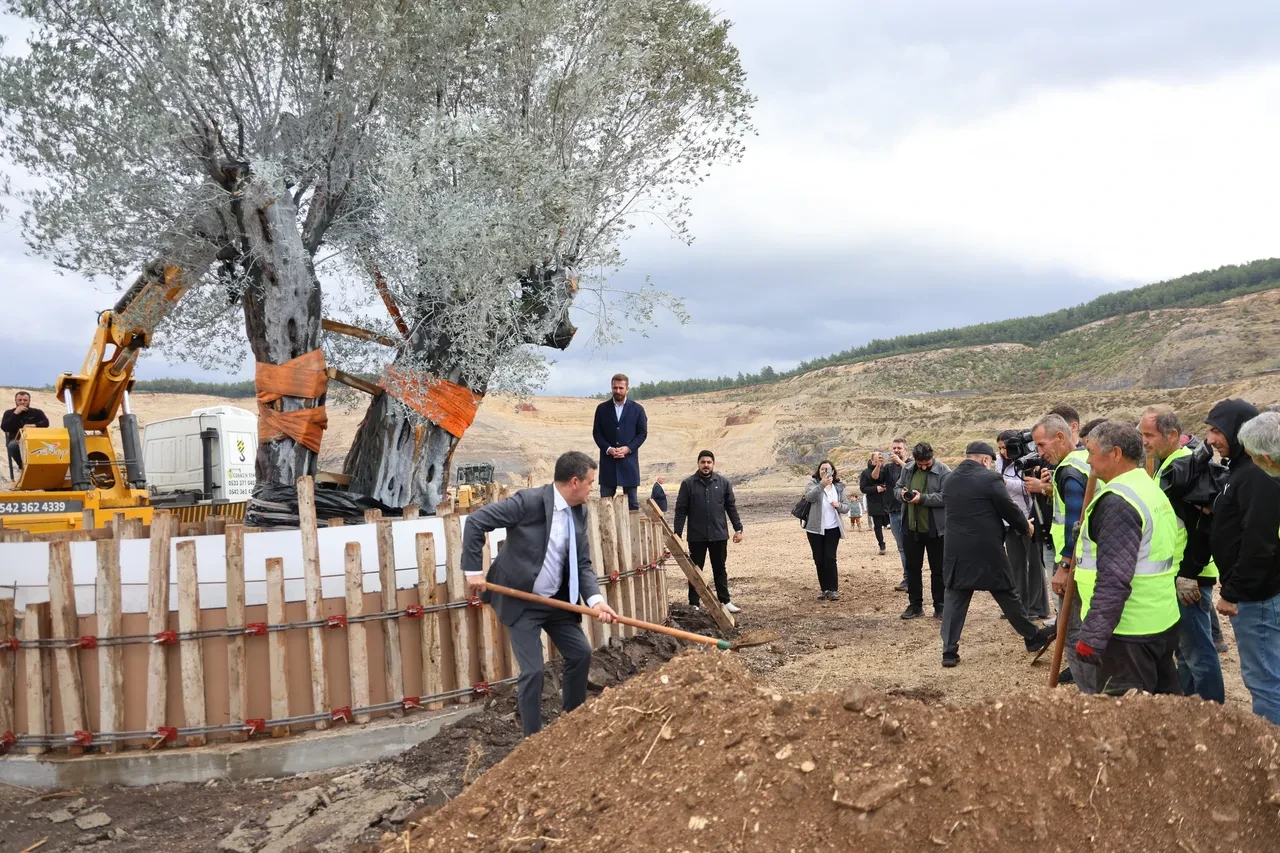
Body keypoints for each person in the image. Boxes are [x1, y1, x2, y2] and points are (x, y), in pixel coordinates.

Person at [462, 451, 619, 737]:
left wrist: (596, 601)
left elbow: (582, 563)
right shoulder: (528, 502)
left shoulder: (579, 512)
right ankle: (532, 741)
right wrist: (473, 570)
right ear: (575, 482)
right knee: (533, 671)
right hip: (522, 601)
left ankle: (571, 722)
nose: (592, 488)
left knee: (580, 653)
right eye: (590, 482)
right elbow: (476, 522)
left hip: (557, 601)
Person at [1073, 421, 1182, 696]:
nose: (1088, 460)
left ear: (1115, 453)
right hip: (1160, 618)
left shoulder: (1118, 501)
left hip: (1127, 631)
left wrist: (1093, 635)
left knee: (1125, 713)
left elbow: (1114, 578)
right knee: (1163, 705)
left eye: (1092, 452)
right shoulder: (1147, 488)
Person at [939, 442, 1056, 667]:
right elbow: (1008, 508)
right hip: (987, 548)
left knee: (955, 596)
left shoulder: (949, 479)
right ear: (985, 460)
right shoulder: (990, 478)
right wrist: (1026, 526)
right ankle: (1032, 637)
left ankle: (949, 652)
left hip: (956, 548)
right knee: (1006, 592)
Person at [1138, 405, 1224, 703]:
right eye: (1142, 435)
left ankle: (1212, 712)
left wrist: (1188, 573)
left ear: (1172, 434)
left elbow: (1202, 527)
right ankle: (1189, 707)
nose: (1144, 442)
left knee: (1197, 651)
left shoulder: (1185, 468)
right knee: (1186, 653)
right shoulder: (1171, 464)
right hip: (1177, 573)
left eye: (1150, 435)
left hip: (1188, 576)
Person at [1208, 403, 1280, 725]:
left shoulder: (1257, 474)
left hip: (1258, 596)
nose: (1211, 439)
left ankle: (1270, 746)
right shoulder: (1246, 470)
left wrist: (1233, 592)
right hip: (1260, 591)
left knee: (1264, 680)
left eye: (1217, 430)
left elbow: (1259, 542)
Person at [1031, 412, 1096, 692]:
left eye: (1041, 445)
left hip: (1077, 563)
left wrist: (1065, 566)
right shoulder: (1085, 460)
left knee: (1072, 630)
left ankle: (1090, 693)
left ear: (1060, 437)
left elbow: (1074, 523)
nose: (1039, 453)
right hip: (1091, 560)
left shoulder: (1069, 470)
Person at [674, 450, 744, 613]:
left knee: (720, 569)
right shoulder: (688, 484)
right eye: (703, 462)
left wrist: (738, 528)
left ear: (713, 464)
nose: (706, 465)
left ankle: (725, 601)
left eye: (709, 462)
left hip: (719, 535)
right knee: (695, 571)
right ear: (698, 463)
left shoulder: (723, 483)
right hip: (696, 536)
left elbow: (731, 507)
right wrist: (677, 534)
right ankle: (694, 603)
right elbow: (681, 510)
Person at [997, 431, 1049, 620]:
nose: (1004, 452)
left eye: (1006, 447)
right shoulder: (1001, 463)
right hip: (1010, 521)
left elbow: (1028, 488)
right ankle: (1019, 606)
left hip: (1029, 518)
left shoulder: (1028, 461)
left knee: (1034, 565)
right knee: (1016, 565)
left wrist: (1003, 482)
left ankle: (1037, 607)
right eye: (1000, 448)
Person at [895, 442, 950, 619]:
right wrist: (901, 494)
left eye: (927, 463)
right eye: (920, 464)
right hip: (911, 528)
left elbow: (946, 497)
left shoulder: (944, 471)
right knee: (912, 568)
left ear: (932, 457)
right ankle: (915, 606)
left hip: (936, 530)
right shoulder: (907, 469)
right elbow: (897, 488)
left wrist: (922, 499)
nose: (924, 467)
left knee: (938, 570)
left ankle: (940, 606)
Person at [592, 373, 647, 510]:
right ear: (611, 387)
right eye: (615, 387)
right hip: (608, 463)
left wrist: (628, 448)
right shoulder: (602, 409)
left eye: (621, 388)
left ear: (627, 388)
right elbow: (597, 433)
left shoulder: (637, 409)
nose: (618, 391)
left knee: (632, 505)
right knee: (605, 505)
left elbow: (642, 433)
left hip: (629, 463)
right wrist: (608, 449)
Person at [802, 460, 851, 601]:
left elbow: (846, 506)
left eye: (828, 469)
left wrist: (838, 505)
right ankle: (824, 589)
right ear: (818, 471)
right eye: (822, 469)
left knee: (830, 558)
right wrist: (822, 484)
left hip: (833, 528)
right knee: (819, 559)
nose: (825, 471)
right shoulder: (812, 484)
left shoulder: (839, 487)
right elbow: (809, 497)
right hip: (815, 529)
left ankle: (833, 589)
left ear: (833, 471)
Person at [2, 390, 50, 473]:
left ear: (29, 401)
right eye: (19, 400)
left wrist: (34, 425)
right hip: (17, 440)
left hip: (35, 439)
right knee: (12, 446)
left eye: (25, 400)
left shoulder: (37, 412)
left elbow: (46, 423)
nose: (22, 402)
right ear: (15, 400)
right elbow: (4, 427)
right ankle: (22, 466)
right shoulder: (9, 413)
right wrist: (15, 413)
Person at [860, 452, 896, 556]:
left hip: (888, 501)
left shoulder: (886, 470)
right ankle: (881, 544)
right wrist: (875, 489)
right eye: (876, 461)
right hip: (874, 502)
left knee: (894, 522)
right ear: (871, 460)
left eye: (880, 460)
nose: (878, 462)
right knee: (878, 525)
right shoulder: (865, 473)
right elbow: (863, 488)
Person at [886, 438, 909, 589]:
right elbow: (873, 479)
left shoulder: (912, 464)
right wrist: (878, 465)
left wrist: (900, 462)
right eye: (894, 448)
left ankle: (913, 577)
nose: (896, 450)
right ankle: (907, 578)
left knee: (913, 547)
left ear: (905, 449)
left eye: (899, 448)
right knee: (902, 548)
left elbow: (914, 473)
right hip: (894, 512)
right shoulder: (889, 467)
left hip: (910, 511)